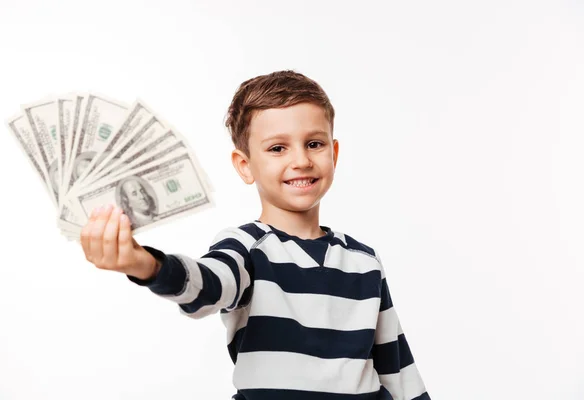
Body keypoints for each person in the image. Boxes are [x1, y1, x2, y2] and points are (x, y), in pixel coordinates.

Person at [79, 70, 431, 400]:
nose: (301, 160)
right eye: (278, 148)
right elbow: (207, 285)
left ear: (334, 154)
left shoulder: (364, 260)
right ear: (245, 165)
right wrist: (145, 264)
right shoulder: (246, 248)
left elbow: (398, 368)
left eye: (314, 144)